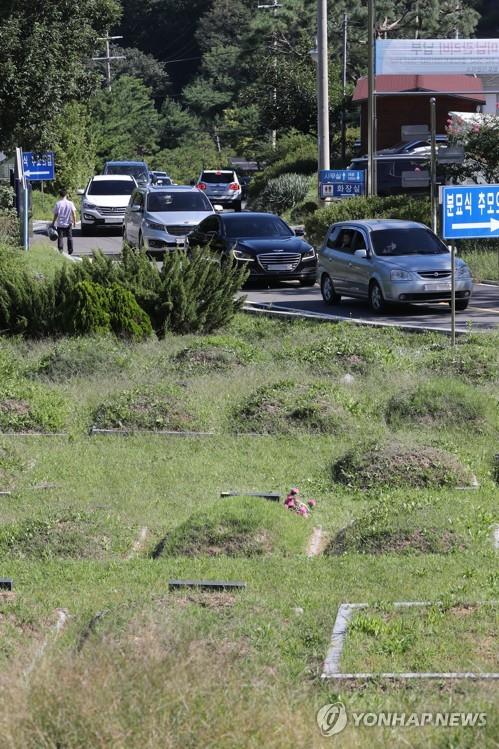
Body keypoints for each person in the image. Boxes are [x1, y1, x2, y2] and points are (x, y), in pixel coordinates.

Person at [51, 189, 76, 254]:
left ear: (60, 195)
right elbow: (73, 213)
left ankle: (60, 249)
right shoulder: (70, 203)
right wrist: (74, 222)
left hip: (60, 224)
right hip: (68, 223)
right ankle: (70, 250)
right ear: (66, 195)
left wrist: (53, 223)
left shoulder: (58, 203)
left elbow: (56, 214)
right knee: (69, 237)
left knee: (60, 237)